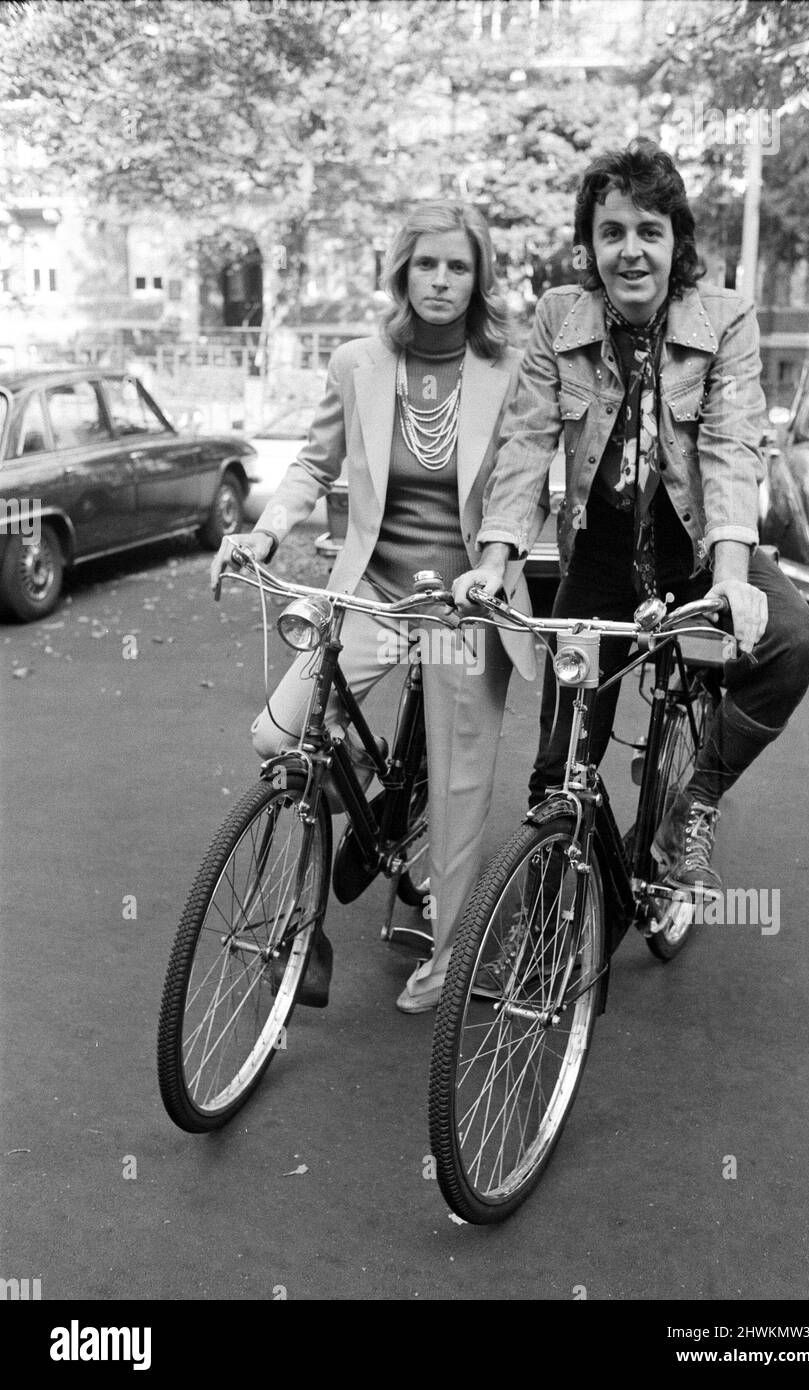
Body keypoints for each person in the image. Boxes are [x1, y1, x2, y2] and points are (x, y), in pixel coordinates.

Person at [454, 140, 809, 896]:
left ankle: (692, 804)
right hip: (597, 557)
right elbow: (525, 442)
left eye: (648, 232)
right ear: (589, 245)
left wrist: (730, 580)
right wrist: (494, 560)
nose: (630, 252)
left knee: (793, 643)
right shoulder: (560, 316)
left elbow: (727, 445)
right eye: (611, 232)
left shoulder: (724, 317)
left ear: (674, 241)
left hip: (696, 552)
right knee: (560, 768)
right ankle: (545, 920)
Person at [211, 201, 546, 1014]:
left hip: (460, 611)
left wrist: (495, 569)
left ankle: (447, 952)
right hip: (370, 594)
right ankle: (368, 823)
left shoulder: (508, 370)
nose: (440, 280)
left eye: (457, 266)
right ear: (401, 272)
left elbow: (516, 486)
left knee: (461, 785)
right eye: (425, 264)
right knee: (279, 735)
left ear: (479, 278)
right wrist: (264, 532)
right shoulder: (358, 362)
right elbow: (311, 465)